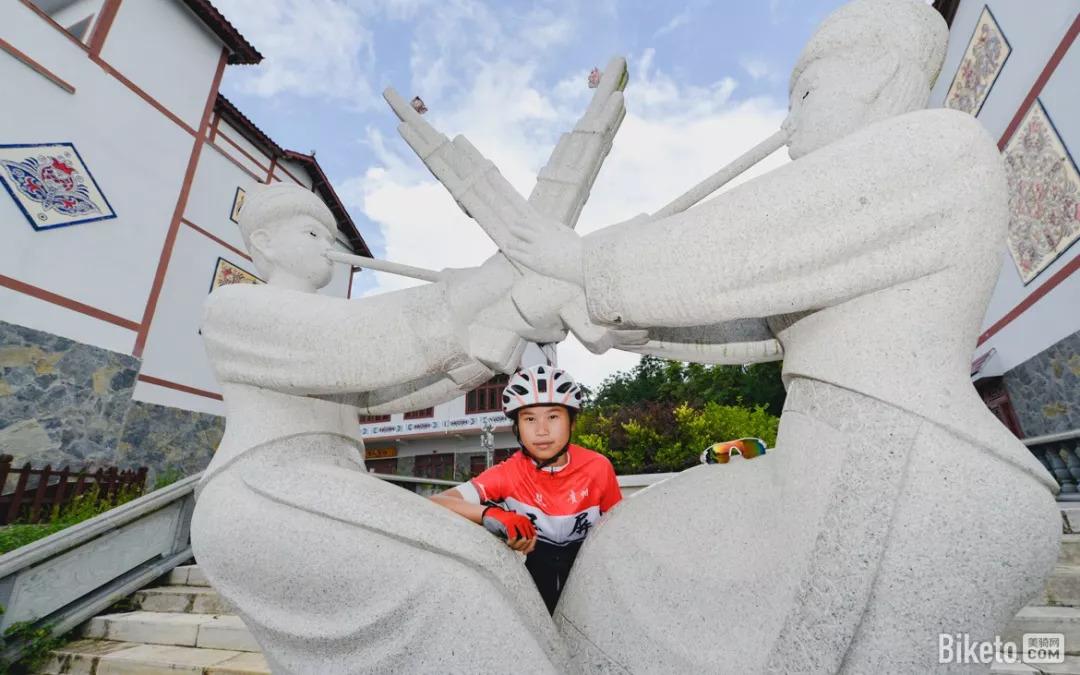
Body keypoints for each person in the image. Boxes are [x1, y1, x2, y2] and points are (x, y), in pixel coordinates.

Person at [430, 364, 622, 614]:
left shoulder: (598, 467)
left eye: (553, 417)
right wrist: (492, 514)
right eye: (529, 418)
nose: (541, 430)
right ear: (517, 427)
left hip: (589, 572)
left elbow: (618, 533)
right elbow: (438, 501)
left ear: (572, 423)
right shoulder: (508, 473)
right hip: (535, 574)